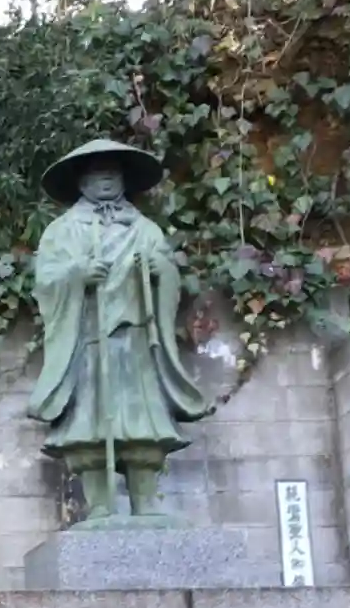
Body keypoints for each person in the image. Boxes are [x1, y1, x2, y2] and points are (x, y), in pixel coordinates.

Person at [27, 138, 212, 525]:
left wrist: (161, 272)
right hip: (89, 342)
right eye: (98, 173)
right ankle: (100, 506)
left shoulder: (145, 229)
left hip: (136, 339)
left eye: (113, 172)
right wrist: (77, 275)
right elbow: (46, 280)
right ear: (81, 182)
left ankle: (146, 502)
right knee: (89, 425)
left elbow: (169, 274)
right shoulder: (62, 231)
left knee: (144, 422)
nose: (107, 178)